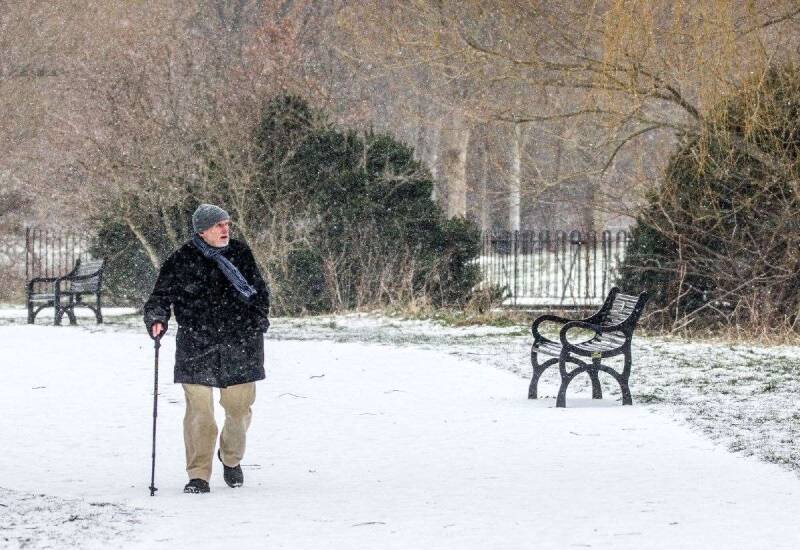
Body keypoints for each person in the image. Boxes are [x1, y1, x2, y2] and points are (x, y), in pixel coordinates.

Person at [143, 203, 270, 494]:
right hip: (196, 343)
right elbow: (160, 296)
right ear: (202, 231)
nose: (225, 230)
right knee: (200, 413)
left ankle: (230, 456)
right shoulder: (181, 260)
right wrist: (157, 318)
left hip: (240, 341)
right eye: (218, 225)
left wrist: (258, 317)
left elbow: (260, 290)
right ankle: (198, 474)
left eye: (227, 224)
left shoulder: (240, 253)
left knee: (238, 409)